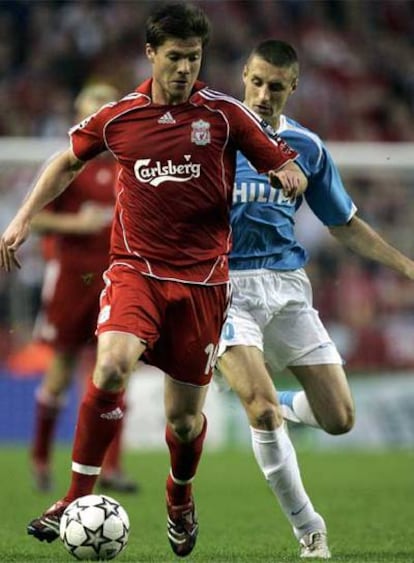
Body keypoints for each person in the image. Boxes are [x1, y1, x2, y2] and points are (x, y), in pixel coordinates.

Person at [0, 4, 308, 558]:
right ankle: (73, 497)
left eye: (194, 57)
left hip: (204, 284)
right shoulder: (119, 117)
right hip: (134, 269)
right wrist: (22, 217)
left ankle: (180, 495)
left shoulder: (224, 115)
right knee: (112, 363)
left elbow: (282, 161)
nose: (186, 68)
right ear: (151, 54)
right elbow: (64, 162)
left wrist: (288, 171)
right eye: (175, 57)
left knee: (184, 423)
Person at [216, 39, 414, 558]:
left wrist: (407, 267)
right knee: (258, 411)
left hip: (286, 286)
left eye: (275, 87)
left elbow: (344, 223)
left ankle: (278, 404)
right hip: (223, 287)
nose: (262, 95)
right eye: (256, 82)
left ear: (293, 87)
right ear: (243, 75)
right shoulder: (212, 135)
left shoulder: (308, 147)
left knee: (339, 419)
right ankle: (311, 532)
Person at [30, 83, 138, 495]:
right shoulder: (68, 164)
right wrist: (77, 224)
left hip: (116, 279)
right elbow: (36, 218)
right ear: (80, 114)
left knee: (114, 370)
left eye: (106, 108)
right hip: (73, 280)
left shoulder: (130, 163)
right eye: (92, 108)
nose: (99, 115)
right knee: (59, 371)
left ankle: (112, 467)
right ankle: (40, 458)